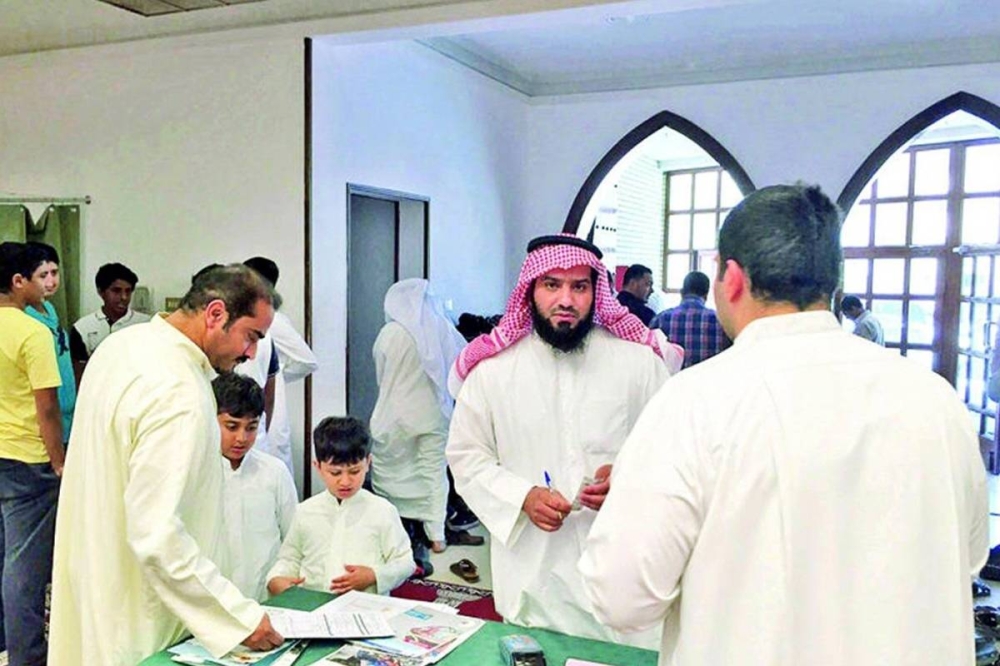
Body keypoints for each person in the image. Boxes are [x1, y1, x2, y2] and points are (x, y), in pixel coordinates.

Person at [580, 184, 987, 665]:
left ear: (732, 278)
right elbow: (968, 557)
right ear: (831, 281)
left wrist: (635, 495)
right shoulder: (935, 399)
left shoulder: (696, 402)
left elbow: (622, 599)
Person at [446, 234, 681, 644]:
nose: (566, 300)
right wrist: (522, 497)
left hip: (622, 573)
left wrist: (628, 479)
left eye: (580, 286)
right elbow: (467, 455)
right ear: (531, 289)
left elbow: (673, 449)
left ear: (597, 292)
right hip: (535, 576)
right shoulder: (494, 372)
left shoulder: (638, 363)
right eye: (552, 285)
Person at [49, 264, 284, 666]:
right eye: (251, 336)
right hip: (143, 611)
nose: (251, 354)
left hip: (98, 581)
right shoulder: (178, 390)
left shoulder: (122, 346)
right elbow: (156, 532)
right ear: (215, 314)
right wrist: (236, 617)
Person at [369, 279, 468, 569]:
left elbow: (381, 373)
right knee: (433, 473)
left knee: (391, 471)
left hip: (393, 414)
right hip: (433, 414)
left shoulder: (388, 333)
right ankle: (437, 537)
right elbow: (461, 365)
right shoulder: (442, 328)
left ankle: (396, 529)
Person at [0, 241, 64, 666]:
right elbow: (47, 407)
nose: (46, 283)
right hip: (27, 459)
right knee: (25, 569)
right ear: (18, 281)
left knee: (3, 558)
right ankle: (26, 657)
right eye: (37, 276)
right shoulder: (32, 331)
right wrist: (59, 460)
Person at [267, 417, 414, 597]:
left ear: (368, 463)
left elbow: (405, 562)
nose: (345, 481)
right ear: (318, 467)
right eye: (335, 472)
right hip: (313, 603)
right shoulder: (305, 511)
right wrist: (277, 579)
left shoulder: (382, 511)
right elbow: (290, 558)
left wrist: (373, 575)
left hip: (365, 605)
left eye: (354, 471)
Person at [214, 372, 297, 602]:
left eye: (251, 427)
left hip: (267, 601)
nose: (241, 438)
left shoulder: (274, 472)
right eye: (231, 426)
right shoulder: (196, 472)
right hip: (212, 603)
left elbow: (294, 540)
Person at [243, 256, 319, 475]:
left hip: (267, 412)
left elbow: (307, 360)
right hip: (248, 411)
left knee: (271, 475)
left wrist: (276, 376)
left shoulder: (271, 320)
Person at [24, 241, 77, 442]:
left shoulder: (49, 308)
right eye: (43, 275)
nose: (51, 281)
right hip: (43, 421)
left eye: (54, 273)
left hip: (67, 415)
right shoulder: (25, 315)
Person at [70, 261, 151, 376]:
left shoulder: (146, 324)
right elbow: (79, 373)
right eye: (116, 291)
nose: (124, 297)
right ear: (100, 292)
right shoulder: (83, 328)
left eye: (128, 291)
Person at [650, 270, 730, 369]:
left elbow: (650, 359)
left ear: (682, 292)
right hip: (710, 378)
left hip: (671, 379)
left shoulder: (660, 320)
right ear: (706, 295)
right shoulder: (721, 321)